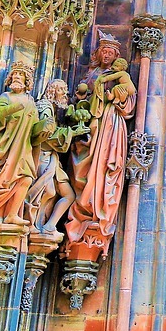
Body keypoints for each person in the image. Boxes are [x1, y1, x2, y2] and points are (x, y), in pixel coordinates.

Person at [66, 40, 137, 248]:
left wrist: (116, 98)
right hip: (92, 121)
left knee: (104, 163)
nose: (106, 56)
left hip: (110, 122)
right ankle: (84, 214)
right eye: (103, 52)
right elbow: (83, 97)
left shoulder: (119, 76)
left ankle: (98, 214)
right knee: (85, 169)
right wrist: (81, 98)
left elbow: (129, 96)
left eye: (110, 53)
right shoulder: (92, 74)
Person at [0, 63, 44, 226]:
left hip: (23, 147)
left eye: (20, 76)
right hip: (6, 147)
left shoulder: (30, 100)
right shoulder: (5, 97)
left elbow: (34, 127)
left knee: (25, 179)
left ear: (26, 81)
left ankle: (12, 214)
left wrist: (46, 130)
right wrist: (16, 107)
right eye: (14, 75)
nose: (16, 78)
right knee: (5, 182)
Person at [27, 79, 86, 234]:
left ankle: (47, 225)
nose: (65, 94)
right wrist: (72, 133)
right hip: (42, 156)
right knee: (48, 192)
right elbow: (44, 134)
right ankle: (34, 224)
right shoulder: (45, 108)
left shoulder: (52, 108)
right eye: (61, 90)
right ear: (53, 91)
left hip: (51, 158)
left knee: (67, 194)